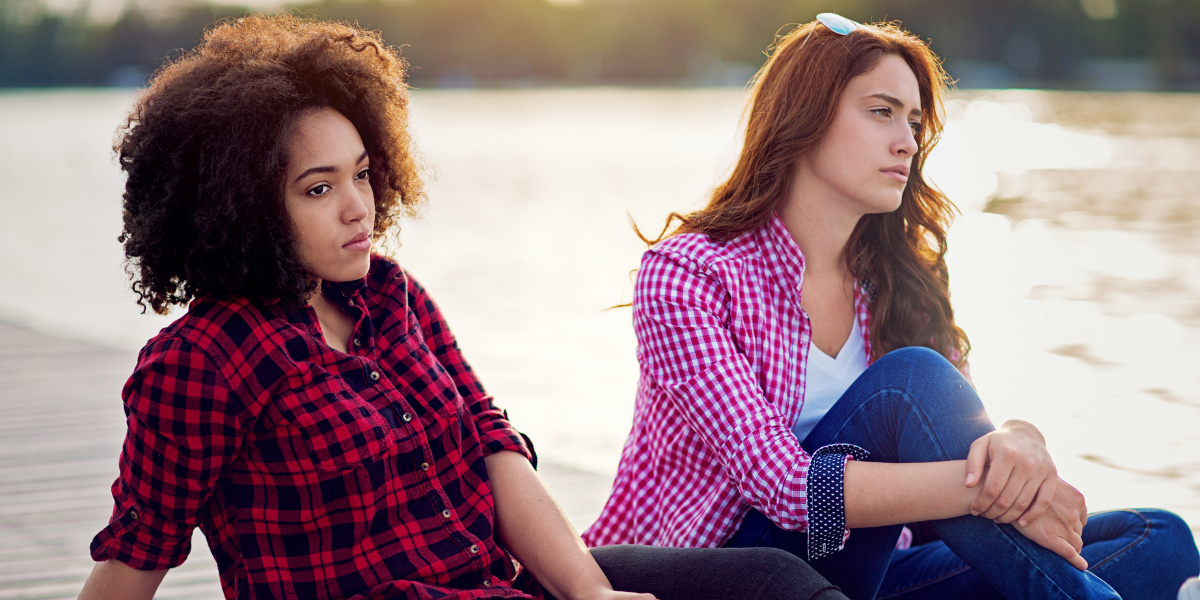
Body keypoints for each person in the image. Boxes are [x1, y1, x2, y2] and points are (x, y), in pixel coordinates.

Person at [76, 15, 851, 600]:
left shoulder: (391, 295)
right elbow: (137, 556)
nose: (358, 208)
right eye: (318, 188)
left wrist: (591, 594)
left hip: (501, 583)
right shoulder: (201, 363)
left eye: (362, 173)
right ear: (238, 206)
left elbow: (492, 446)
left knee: (776, 580)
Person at [583, 13, 1200, 600]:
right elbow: (785, 488)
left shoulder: (898, 280)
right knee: (906, 384)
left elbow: (956, 433)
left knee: (1157, 538)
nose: (906, 141)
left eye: (913, 122)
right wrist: (988, 492)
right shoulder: (689, 274)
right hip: (721, 572)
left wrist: (1020, 441)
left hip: (865, 569)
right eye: (882, 113)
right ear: (804, 118)